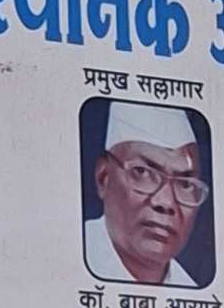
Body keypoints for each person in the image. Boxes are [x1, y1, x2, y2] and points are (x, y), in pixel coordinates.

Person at [85, 102, 209, 287]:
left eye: (185, 184)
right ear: (103, 178)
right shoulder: (65, 259)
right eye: (142, 172)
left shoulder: (193, 295)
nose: (166, 202)